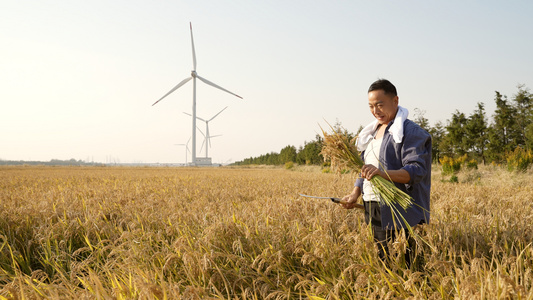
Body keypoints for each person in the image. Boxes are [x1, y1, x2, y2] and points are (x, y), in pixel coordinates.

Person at [341, 79, 431, 268]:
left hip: (401, 207)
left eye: (380, 104)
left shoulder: (410, 132)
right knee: (384, 261)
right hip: (374, 205)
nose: (376, 111)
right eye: (371, 106)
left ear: (395, 101)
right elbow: (366, 168)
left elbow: (416, 170)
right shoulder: (370, 133)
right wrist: (355, 194)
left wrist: (382, 174)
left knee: (410, 263)